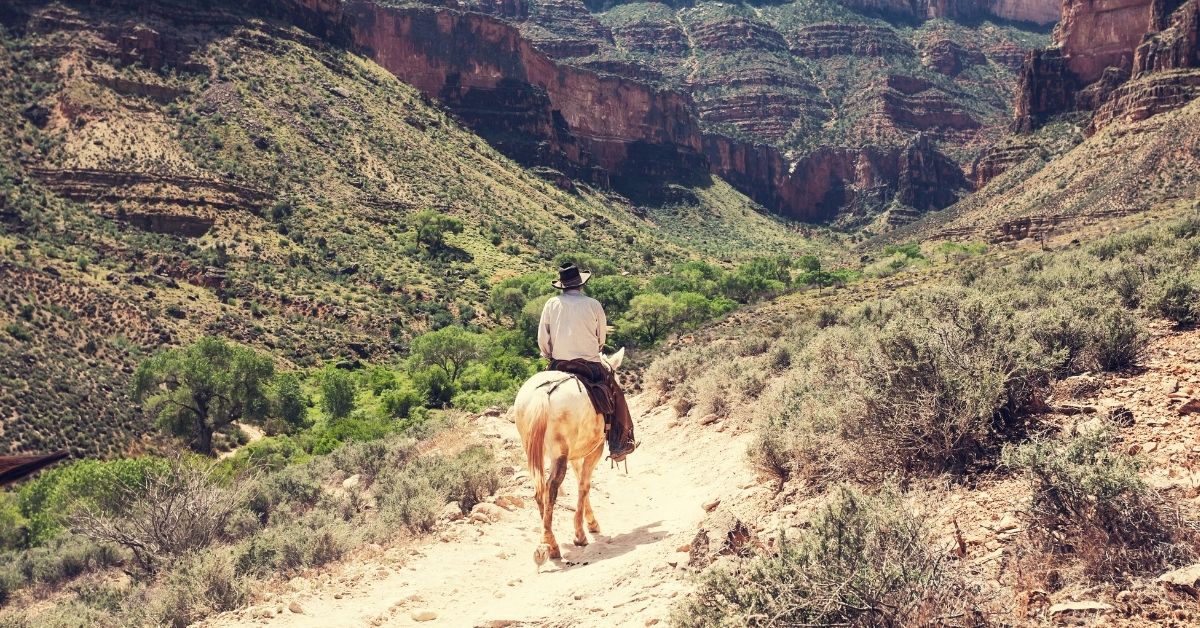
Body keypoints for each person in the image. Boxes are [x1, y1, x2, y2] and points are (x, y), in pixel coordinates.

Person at [537, 262, 638, 461]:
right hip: (590, 365)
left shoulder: (551, 303)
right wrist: (596, 349)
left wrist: (549, 355)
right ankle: (620, 444)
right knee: (615, 393)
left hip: (559, 364)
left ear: (562, 285)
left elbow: (543, 337)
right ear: (581, 284)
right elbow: (601, 338)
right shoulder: (593, 304)